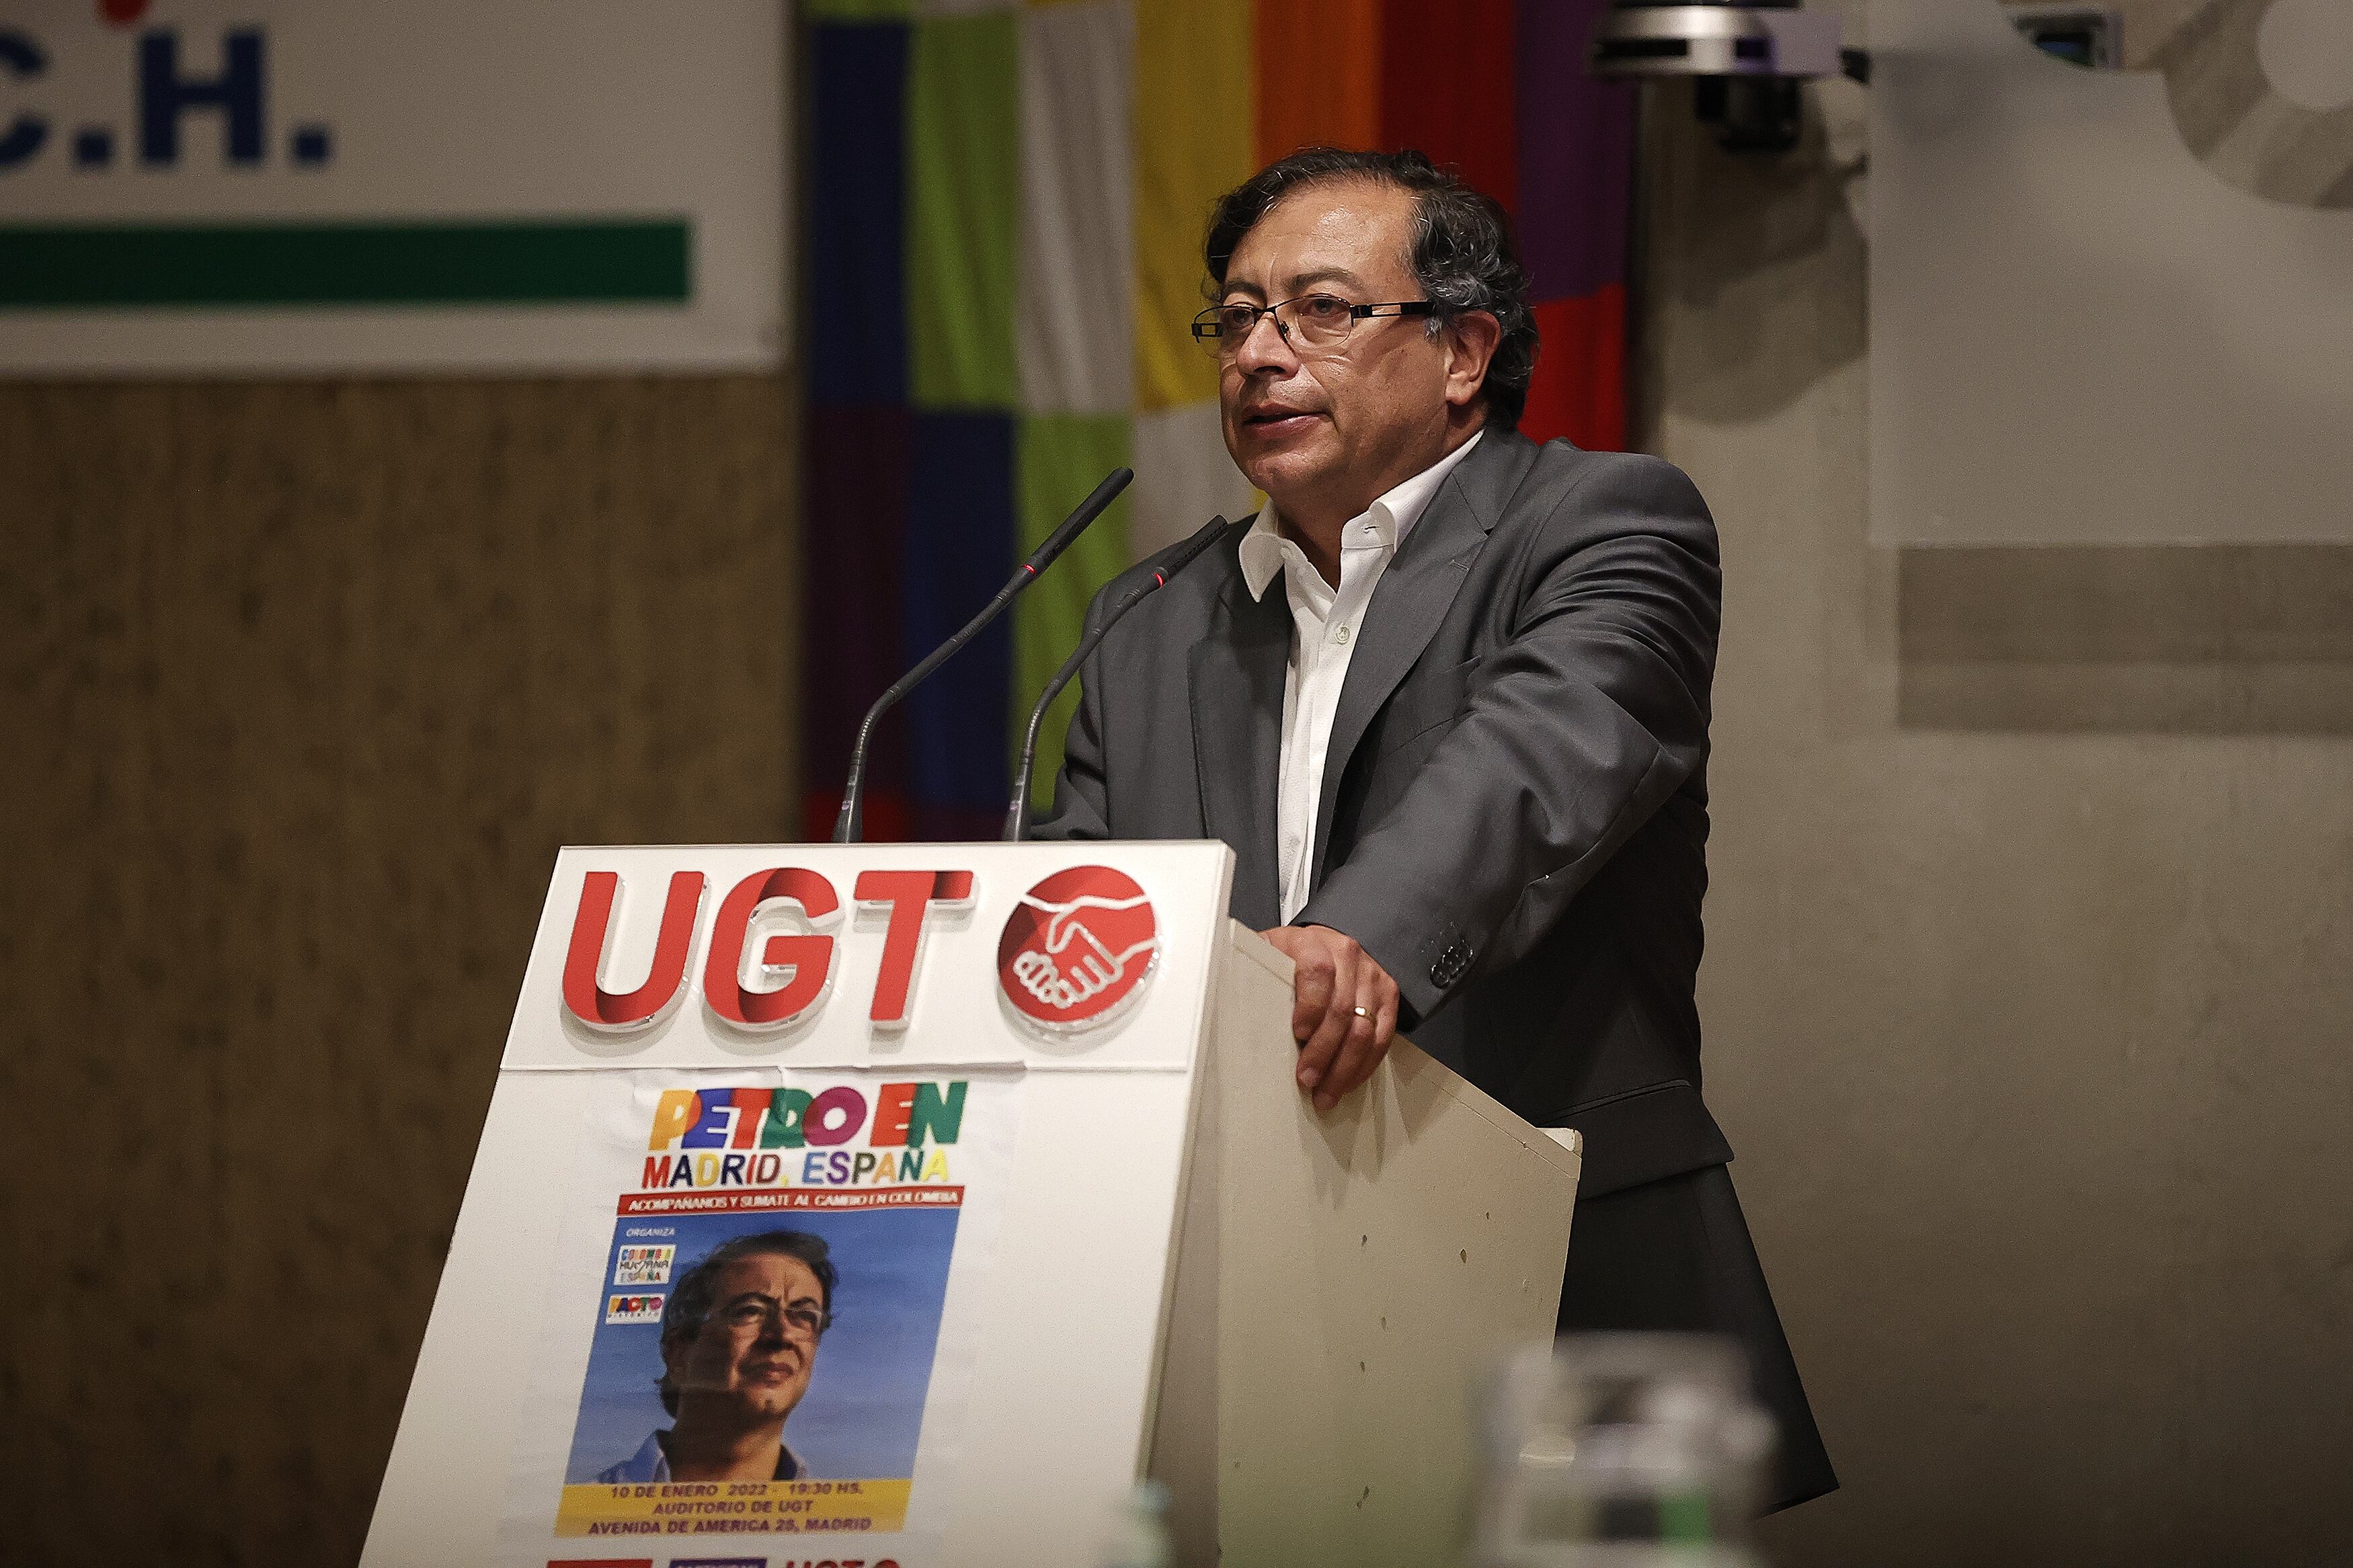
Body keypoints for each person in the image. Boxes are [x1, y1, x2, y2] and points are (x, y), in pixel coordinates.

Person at [1033, 147, 1835, 1510]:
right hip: (1231, 1307)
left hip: (1569, 1276)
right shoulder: (1148, 617)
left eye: (1320, 311)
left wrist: (1364, 932)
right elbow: (1077, 912)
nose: (1258, 354)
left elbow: (1538, 760)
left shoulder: (1598, 525)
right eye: (1234, 318)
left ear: (1464, 350)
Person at [596, 1230, 834, 1484]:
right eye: (750, 1311)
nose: (782, 1335)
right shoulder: (585, 1510)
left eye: (804, 1317)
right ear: (680, 1353)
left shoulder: (842, 1517)